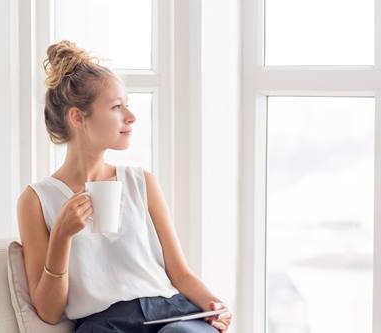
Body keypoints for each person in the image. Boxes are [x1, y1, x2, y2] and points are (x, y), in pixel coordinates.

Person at [16, 40, 232, 333]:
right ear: (78, 117)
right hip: (103, 325)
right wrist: (62, 237)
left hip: (169, 313)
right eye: (117, 107)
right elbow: (49, 312)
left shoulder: (142, 182)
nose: (131, 117)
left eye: (127, 105)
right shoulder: (37, 200)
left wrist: (214, 305)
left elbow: (179, 274)